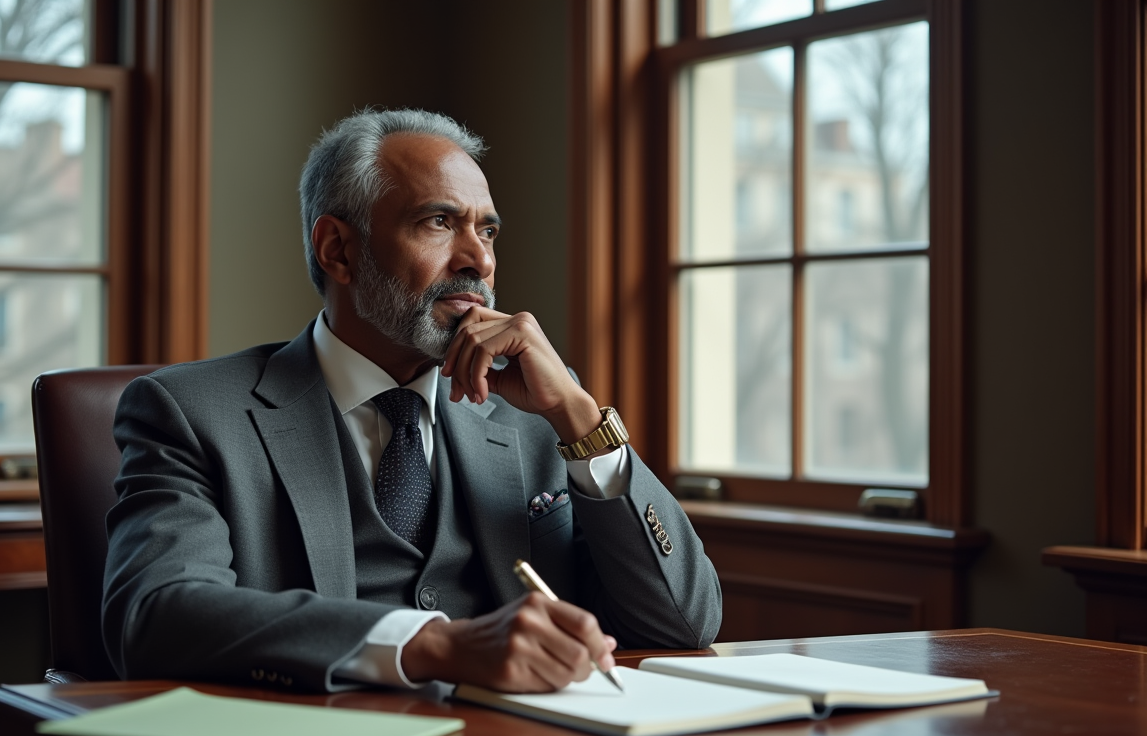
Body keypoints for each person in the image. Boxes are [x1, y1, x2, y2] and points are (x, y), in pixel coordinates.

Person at [103, 108, 721, 694]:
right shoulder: (190, 412)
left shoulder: (536, 414)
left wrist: (581, 419)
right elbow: (156, 616)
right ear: (338, 250)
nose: (479, 259)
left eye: (487, 230)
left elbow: (684, 627)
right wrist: (430, 647)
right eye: (439, 223)